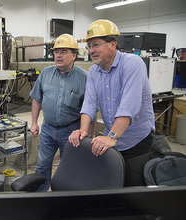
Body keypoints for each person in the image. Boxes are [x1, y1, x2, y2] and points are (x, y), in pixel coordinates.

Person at [68, 19, 155, 163]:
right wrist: (83, 130)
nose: (91, 51)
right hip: (111, 141)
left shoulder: (132, 63)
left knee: (133, 181)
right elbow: (89, 103)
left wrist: (111, 137)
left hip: (136, 141)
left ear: (113, 45)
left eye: (96, 45)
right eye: (89, 46)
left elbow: (129, 106)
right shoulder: (93, 72)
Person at [30, 34, 90, 192]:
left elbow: (89, 110)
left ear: (74, 55)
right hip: (48, 129)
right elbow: (37, 99)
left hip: (72, 132)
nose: (58, 55)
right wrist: (34, 122)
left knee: (70, 168)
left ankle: (66, 199)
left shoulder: (84, 78)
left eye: (63, 51)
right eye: (56, 52)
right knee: (42, 165)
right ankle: (39, 197)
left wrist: (88, 135)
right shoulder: (45, 74)